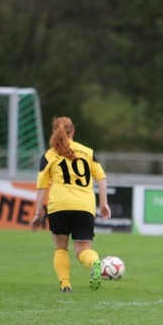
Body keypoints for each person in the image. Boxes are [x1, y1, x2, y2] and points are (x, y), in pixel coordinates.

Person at [31, 116, 111, 292]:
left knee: (61, 247)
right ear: (73, 131)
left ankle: (65, 284)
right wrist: (104, 203)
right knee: (82, 250)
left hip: (59, 206)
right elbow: (102, 178)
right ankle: (94, 262)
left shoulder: (49, 155)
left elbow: (42, 187)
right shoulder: (87, 152)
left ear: (54, 132)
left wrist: (37, 214)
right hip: (85, 206)